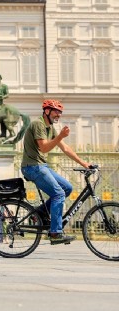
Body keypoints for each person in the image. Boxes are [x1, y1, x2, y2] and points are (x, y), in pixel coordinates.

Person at [21, 99, 91, 245]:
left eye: (60, 112)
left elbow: (65, 148)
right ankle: (55, 233)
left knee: (67, 188)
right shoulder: (38, 124)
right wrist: (60, 136)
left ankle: (40, 212)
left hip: (41, 166)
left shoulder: (50, 128)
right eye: (56, 111)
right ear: (47, 111)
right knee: (58, 193)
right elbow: (44, 148)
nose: (58, 115)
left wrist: (84, 164)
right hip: (32, 167)